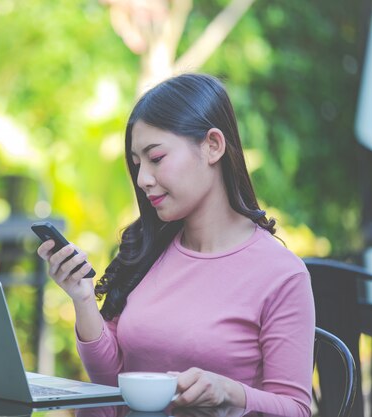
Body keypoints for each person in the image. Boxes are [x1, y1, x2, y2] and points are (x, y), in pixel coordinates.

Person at [37, 73, 314, 417]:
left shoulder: (281, 274)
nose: (142, 180)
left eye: (156, 158)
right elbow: (110, 385)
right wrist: (82, 298)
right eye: (137, 165)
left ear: (213, 145)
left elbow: (296, 409)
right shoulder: (147, 249)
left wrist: (232, 395)